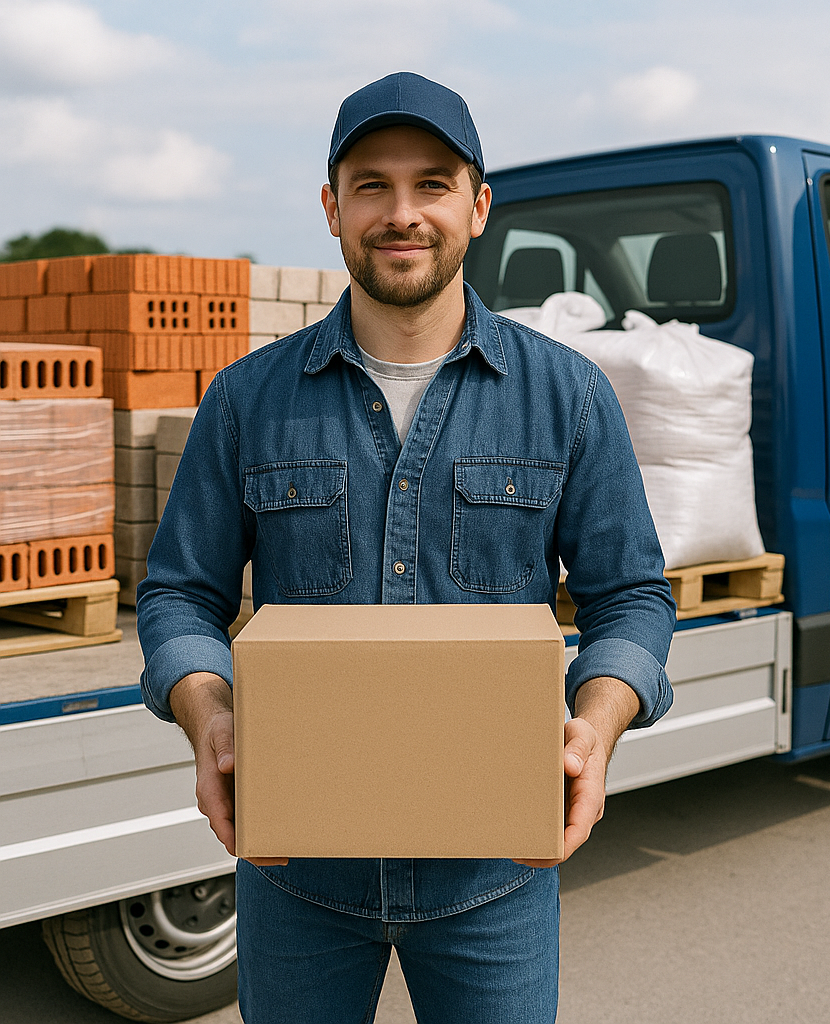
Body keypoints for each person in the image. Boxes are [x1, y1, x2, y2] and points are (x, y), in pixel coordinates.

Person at [137, 71, 676, 1024]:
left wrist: (595, 729)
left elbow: (631, 596)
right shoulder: (248, 400)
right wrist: (208, 713)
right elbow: (180, 593)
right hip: (297, 870)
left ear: (478, 205)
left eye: (432, 183)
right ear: (331, 207)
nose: (403, 213)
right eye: (372, 185)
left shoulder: (566, 397)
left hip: (494, 876)